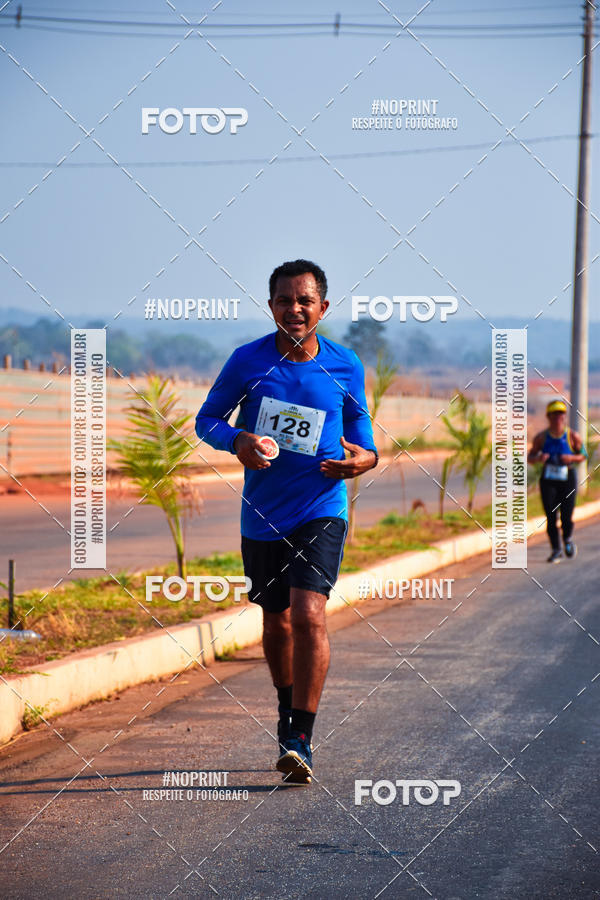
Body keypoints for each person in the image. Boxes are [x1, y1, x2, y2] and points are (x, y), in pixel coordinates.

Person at [195, 260, 378, 784]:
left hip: (322, 506)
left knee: (309, 615)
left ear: (323, 307)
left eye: (305, 301)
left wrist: (365, 459)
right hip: (263, 514)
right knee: (275, 620)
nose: (294, 309)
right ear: (271, 305)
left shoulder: (344, 364)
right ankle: (285, 711)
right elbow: (207, 419)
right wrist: (238, 440)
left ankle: (301, 736)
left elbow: (360, 428)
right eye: (284, 300)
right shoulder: (247, 361)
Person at [528, 399, 586, 563]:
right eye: (554, 414)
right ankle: (556, 549)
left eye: (561, 414)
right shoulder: (541, 438)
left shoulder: (572, 436)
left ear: (564, 416)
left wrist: (571, 458)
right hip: (548, 480)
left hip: (568, 478)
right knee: (551, 515)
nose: (558, 418)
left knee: (567, 516)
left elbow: (583, 455)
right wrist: (539, 458)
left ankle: (567, 539)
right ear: (549, 417)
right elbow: (530, 457)